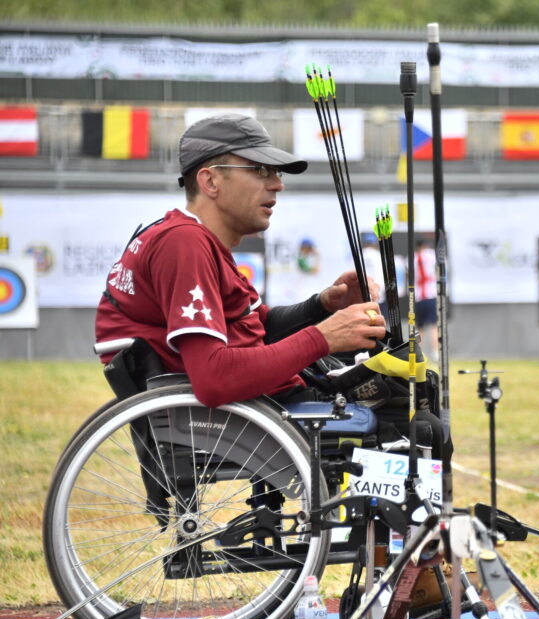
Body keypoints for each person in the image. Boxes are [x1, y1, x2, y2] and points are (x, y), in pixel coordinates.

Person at [95, 113, 386, 408]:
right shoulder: (184, 243)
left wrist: (322, 305)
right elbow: (214, 379)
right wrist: (323, 337)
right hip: (248, 427)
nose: (277, 185)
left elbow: (261, 328)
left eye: (277, 173)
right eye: (260, 170)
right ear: (210, 181)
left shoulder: (197, 240)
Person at [413, 238, 439, 361]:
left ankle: (419, 354)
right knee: (433, 325)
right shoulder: (432, 254)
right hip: (430, 294)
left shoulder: (413, 258)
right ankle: (435, 353)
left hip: (419, 296)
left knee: (420, 328)